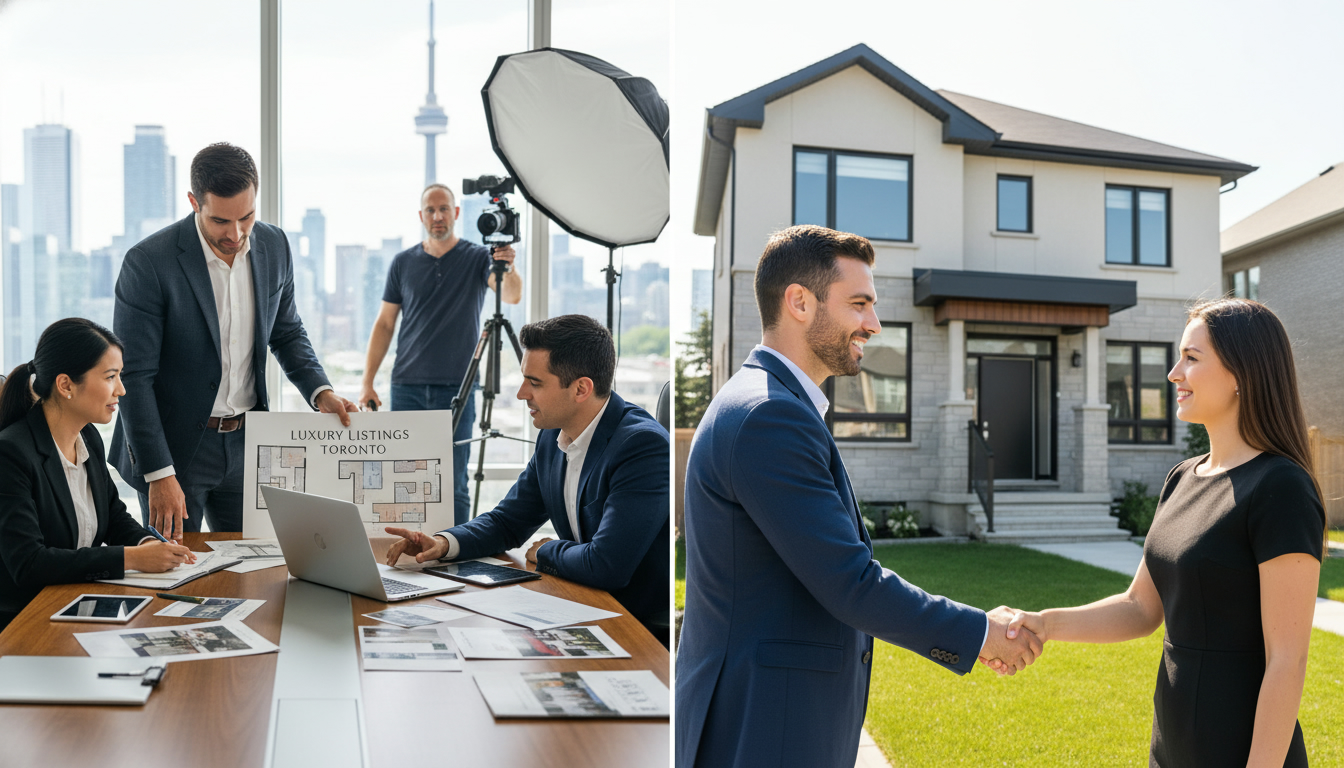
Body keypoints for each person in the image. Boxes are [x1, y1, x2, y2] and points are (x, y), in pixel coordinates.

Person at [675, 225, 1041, 767]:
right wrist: (979, 632)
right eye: (859, 303)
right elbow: (850, 582)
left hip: (770, 713)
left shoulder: (769, 404)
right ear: (799, 301)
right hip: (763, 723)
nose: (873, 322)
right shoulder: (768, 415)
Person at [997, 299, 1325, 767]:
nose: (1174, 373)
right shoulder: (1182, 478)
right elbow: (1139, 608)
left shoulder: (1281, 488)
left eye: (1191, 358)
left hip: (1242, 752)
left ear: (1240, 375)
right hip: (1171, 748)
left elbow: (1287, 662)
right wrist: (1045, 623)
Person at [110, 142, 357, 539]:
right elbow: (134, 377)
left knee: (255, 574)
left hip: (250, 443)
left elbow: (287, 331)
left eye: (247, 217)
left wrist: (320, 391)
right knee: (177, 579)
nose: (236, 233)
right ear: (194, 202)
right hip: (176, 451)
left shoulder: (275, 247)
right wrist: (158, 473)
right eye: (221, 221)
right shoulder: (149, 263)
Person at [381, 314, 670, 643]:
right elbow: (508, 522)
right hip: (582, 602)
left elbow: (607, 565)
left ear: (581, 389)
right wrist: (444, 543)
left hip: (635, 625)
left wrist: (547, 551)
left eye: (534, 383)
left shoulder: (643, 447)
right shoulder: (552, 436)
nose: (521, 394)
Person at [0, 319, 196, 632]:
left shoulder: (87, 436)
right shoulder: (12, 453)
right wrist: (131, 559)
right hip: (26, 621)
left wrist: (148, 544)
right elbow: (29, 564)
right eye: (110, 377)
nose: (122, 389)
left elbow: (114, 517)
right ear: (65, 385)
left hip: (74, 603)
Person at [360, 183, 522, 526]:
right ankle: (407, 553)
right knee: (403, 478)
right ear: (421, 216)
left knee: (454, 483)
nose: (437, 216)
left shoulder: (480, 257)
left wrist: (508, 265)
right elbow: (385, 323)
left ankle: (454, 554)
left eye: (444, 208)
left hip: (458, 389)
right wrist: (367, 382)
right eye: (430, 210)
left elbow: (511, 296)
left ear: (456, 213)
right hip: (406, 386)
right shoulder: (402, 262)